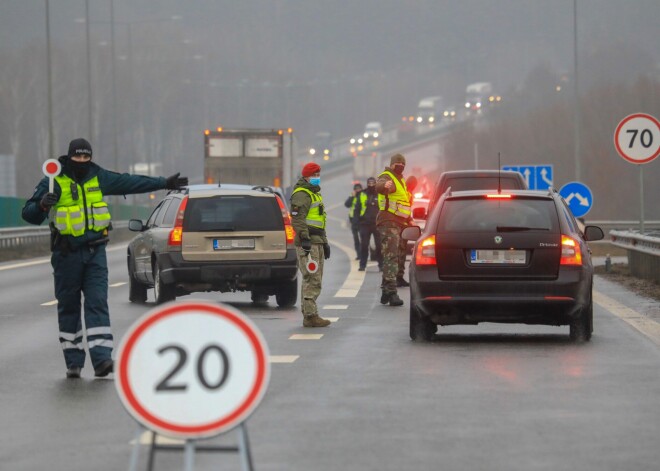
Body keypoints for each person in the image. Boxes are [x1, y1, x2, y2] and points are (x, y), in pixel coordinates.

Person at [21, 138, 188, 379]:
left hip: (95, 252)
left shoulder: (97, 176)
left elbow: (130, 182)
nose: (82, 161)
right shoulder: (53, 182)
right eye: (77, 158)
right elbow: (28, 214)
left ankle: (102, 360)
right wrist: (43, 206)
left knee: (97, 301)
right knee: (68, 306)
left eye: (85, 157)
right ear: (69, 157)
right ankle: (74, 362)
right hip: (66, 254)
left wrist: (164, 183)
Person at [290, 162, 332, 327]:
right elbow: (298, 219)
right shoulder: (302, 194)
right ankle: (310, 315)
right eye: (314, 175)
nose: (316, 178)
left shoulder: (314, 194)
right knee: (311, 278)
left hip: (317, 241)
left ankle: (309, 314)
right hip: (308, 244)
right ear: (306, 176)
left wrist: (325, 243)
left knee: (315, 278)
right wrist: (305, 238)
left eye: (318, 175)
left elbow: (320, 222)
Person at [376, 153, 412, 306]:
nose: (400, 165)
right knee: (392, 257)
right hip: (388, 221)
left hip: (398, 222)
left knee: (392, 256)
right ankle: (391, 292)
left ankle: (385, 290)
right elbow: (380, 185)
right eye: (397, 163)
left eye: (403, 163)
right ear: (391, 164)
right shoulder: (387, 177)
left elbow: (402, 202)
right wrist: (384, 186)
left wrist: (409, 218)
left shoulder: (400, 180)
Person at [358, 177, 382, 271]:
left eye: (373, 183)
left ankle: (381, 265)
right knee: (364, 245)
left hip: (377, 224)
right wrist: (357, 223)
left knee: (379, 246)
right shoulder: (362, 194)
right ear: (367, 184)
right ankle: (362, 265)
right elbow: (357, 208)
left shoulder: (380, 194)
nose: (371, 185)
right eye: (369, 183)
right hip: (365, 224)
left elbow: (383, 208)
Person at [344, 182, 365, 260]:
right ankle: (359, 255)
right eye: (356, 189)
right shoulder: (353, 196)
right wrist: (352, 197)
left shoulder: (363, 196)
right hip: (354, 221)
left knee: (363, 239)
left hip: (362, 221)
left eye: (359, 188)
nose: (358, 190)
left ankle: (363, 255)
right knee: (356, 239)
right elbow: (347, 204)